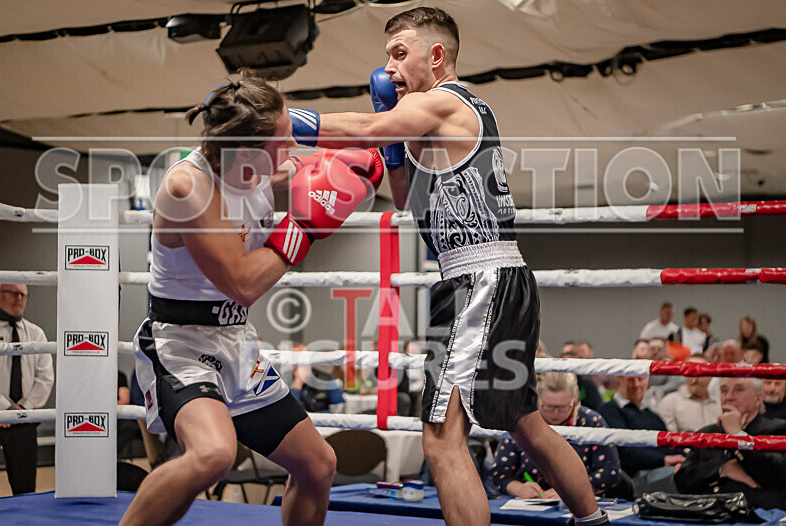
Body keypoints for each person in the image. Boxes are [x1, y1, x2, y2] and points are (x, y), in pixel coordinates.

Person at [287, 8, 608, 525]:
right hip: (496, 278)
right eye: (386, 56)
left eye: (399, 53)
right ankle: (592, 520)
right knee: (523, 420)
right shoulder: (435, 119)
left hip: (478, 281)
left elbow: (367, 125)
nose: (388, 68)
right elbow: (411, 204)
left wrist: (282, 120)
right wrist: (394, 152)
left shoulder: (446, 102)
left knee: (440, 438)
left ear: (436, 56)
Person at [120, 72, 384, 526]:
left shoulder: (261, 164)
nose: (292, 147)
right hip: (181, 346)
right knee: (214, 454)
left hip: (237, 344)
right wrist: (304, 226)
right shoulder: (190, 189)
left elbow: (315, 159)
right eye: (282, 140)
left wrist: (367, 158)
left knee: (317, 464)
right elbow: (241, 283)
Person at [491, 373, 620, 498]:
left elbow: (610, 472)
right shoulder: (522, 421)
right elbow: (500, 472)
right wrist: (518, 488)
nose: (555, 413)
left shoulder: (592, 422)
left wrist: (573, 491)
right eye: (548, 407)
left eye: (562, 407)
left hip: (579, 501)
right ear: (537, 400)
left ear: (574, 402)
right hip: (528, 502)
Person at [675, 378, 786, 509]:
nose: (729, 397)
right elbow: (682, 481)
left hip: (757, 517)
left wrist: (737, 435)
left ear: (758, 398)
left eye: (739, 390)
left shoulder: (778, 429)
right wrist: (722, 469)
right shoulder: (707, 433)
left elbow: (777, 474)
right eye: (724, 391)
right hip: (707, 515)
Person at [0, 284, 54, 495]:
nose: (19, 298)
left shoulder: (36, 333)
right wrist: (3, 407)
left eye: (23, 294)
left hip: (23, 418)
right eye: (13, 293)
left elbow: (45, 378)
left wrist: (21, 409)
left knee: (25, 488)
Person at [598, 375, 685, 492]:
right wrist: (664, 459)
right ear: (618, 383)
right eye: (630, 380)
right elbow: (625, 452)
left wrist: (682, 460)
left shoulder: (651, 414)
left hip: (664, 470)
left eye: (640, 379)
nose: (637, 384)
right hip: (636, 476)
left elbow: (669, 441)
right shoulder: (609, 411)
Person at [656, 354, 721, 433]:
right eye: (690, 372)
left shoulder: (720, 403)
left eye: (700, 372)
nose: (694, 378)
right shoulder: (669, 402)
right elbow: (668, 441)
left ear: (710, 375)